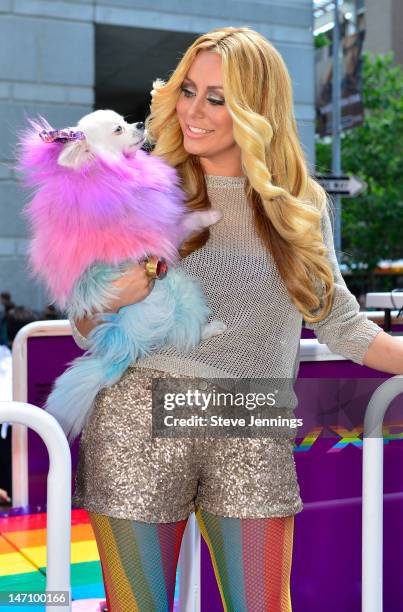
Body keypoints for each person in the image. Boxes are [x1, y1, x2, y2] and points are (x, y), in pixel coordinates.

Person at [68, 27, 402, 611]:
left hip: (252, 424)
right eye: (188, 91)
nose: (194, 112)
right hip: (136, 422)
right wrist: (113, 297)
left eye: (217, 98)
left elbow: (342, 325)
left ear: (254, 108)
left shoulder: (299, 203)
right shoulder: (143, 186)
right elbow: (86, 322)